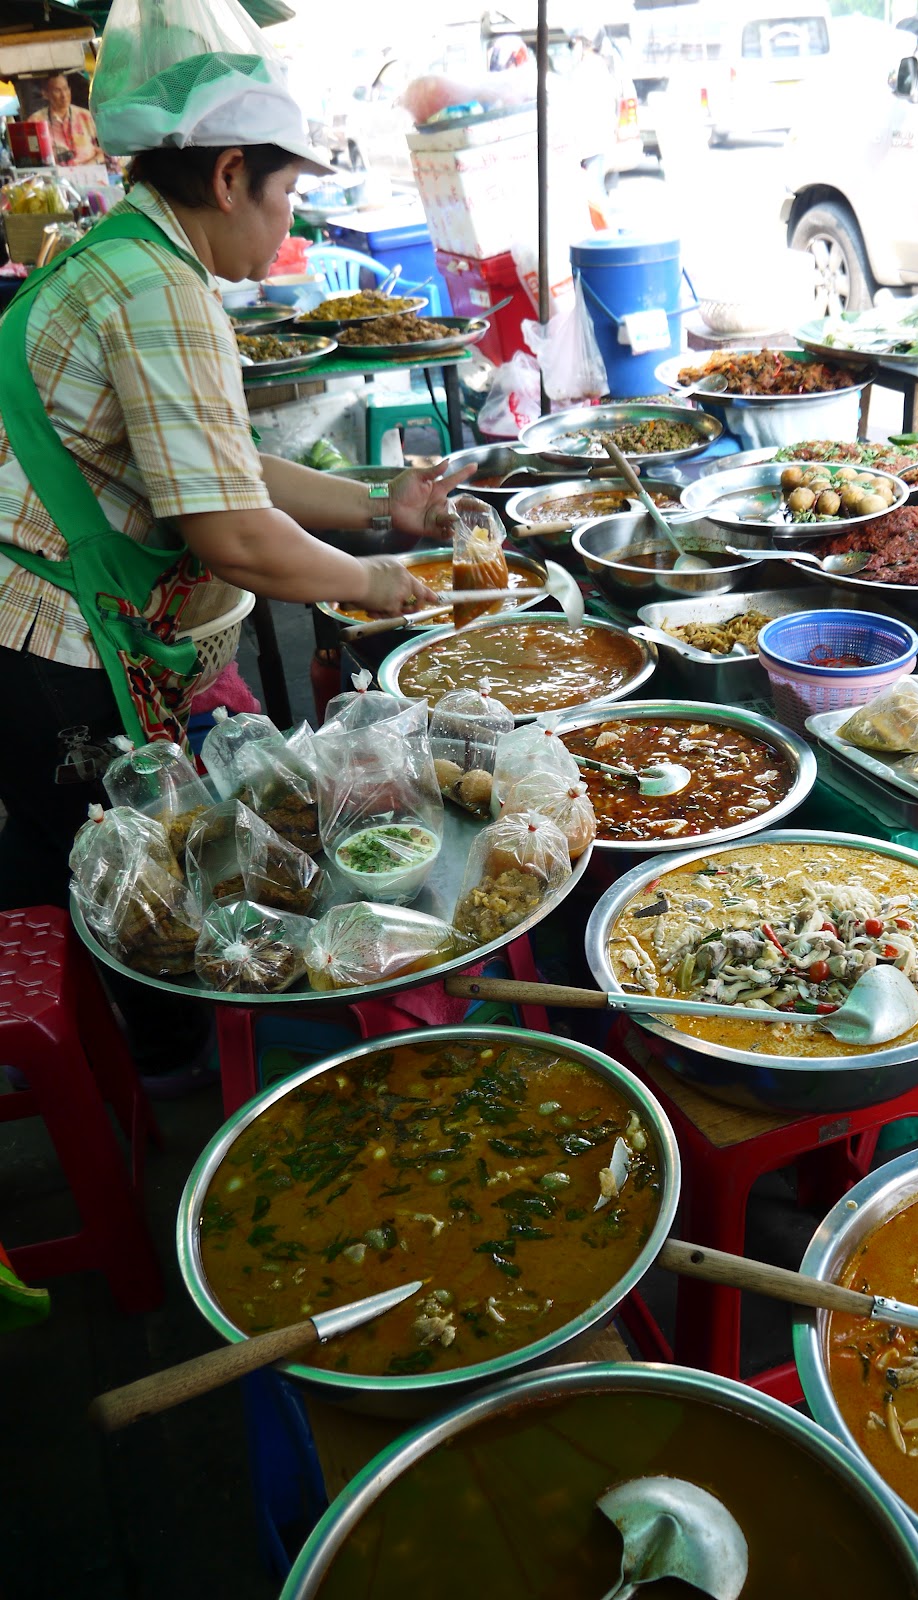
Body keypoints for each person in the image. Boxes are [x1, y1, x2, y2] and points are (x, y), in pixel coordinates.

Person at [0, 39, 469, 1083]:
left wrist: (378, 510)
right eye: (287, 193)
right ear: (227, 177)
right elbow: (236, 535)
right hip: (47, 644)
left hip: (31, 630)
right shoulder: (162, 290)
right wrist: (379, 584)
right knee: (134, 884)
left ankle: (81, 1047)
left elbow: (223, 465)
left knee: (54, 845)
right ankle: (167, 1080)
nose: (291, 221)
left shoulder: (119, 254)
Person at [31, 72, 104, 166]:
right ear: (45, 94)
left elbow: (105, 151)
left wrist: (92, 163)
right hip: (55, 173)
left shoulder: (86, 116)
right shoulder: (36, 121)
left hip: (90, 170)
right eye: (57, 91)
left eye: (65, 89)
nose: (64, 95)